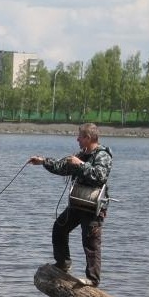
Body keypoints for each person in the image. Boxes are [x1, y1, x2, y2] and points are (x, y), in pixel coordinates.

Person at [27, 123, 113, 287]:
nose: (77, 139)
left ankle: (92, 279)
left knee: (91, 243)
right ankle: (63, 263)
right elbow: (61, 167)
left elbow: (99, 176)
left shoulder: (103, 155)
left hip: (93, 208)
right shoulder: (82, 154)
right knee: (59, 228)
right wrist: (42, 161)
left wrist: (80, 164)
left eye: (80, 136)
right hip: (77, 204)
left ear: (88, 138)